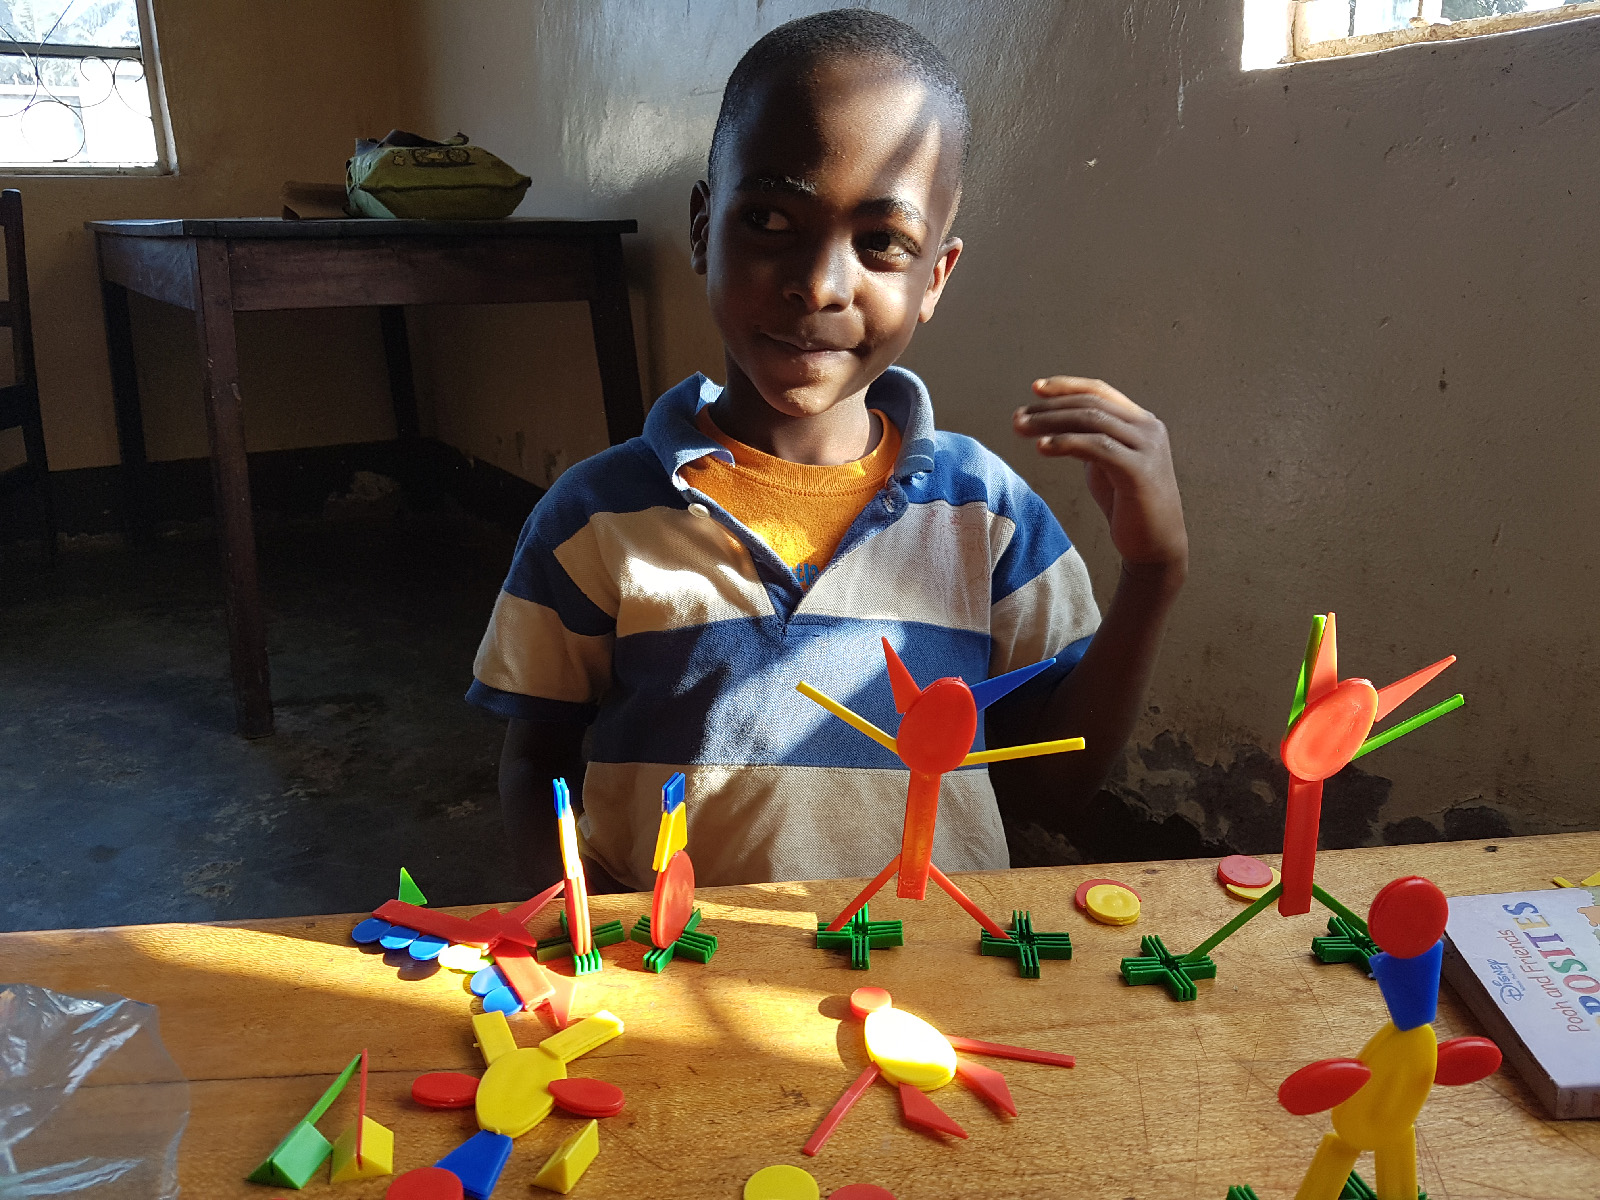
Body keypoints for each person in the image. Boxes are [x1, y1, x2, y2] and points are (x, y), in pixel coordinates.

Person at [467, 10, 1187, 893]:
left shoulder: (986, 515)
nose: (819, 284)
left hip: (925, 963)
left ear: (935, 277)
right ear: (702, 227)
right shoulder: (592, 518)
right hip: (679, 959)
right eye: (770, 218)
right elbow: (535, 760)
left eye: (882, 243)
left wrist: (1152, 574)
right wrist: (576, 923)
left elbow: (1054, 788)